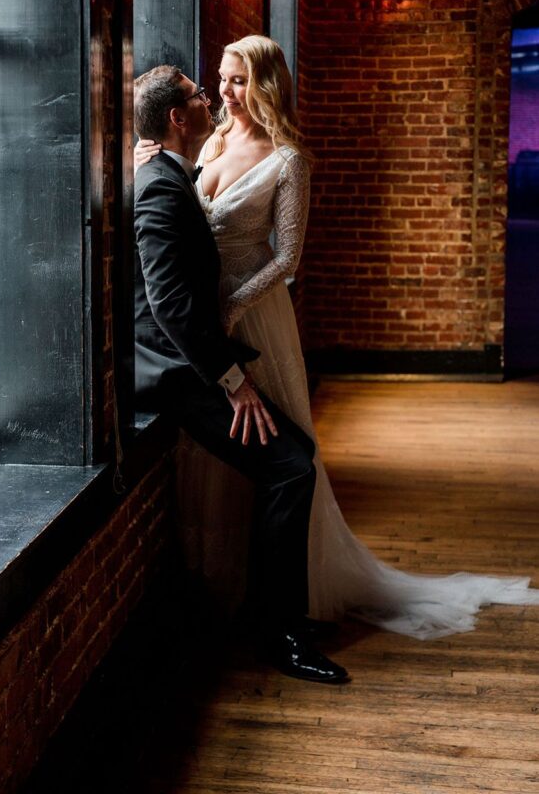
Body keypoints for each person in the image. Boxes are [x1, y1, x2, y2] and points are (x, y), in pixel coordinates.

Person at [136, 34, 539, 640]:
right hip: (198, 328)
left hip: (251, 317)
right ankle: (229, 589)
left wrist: (233, 310)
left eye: (237, 80)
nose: (222, 91)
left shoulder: (288, 158)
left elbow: (289, 259)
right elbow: (172, 231)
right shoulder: (204, 144)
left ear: (267, 83)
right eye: (217, 79)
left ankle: (287, 600)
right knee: (232, 461)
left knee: (282, 449)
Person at [133, 63, 348, 684]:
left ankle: (269, 609)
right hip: (178, 372)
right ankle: (282, 633)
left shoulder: (174, 171)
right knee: (292, 463)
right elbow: (171, 307)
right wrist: (233, 382)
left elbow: (277, 253)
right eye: (200, 94)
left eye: (223, 83)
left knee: (291, 460)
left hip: (201, 355)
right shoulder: (160, 185)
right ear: (179, 118)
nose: (212, 97)